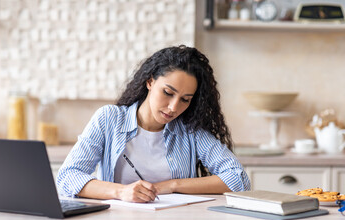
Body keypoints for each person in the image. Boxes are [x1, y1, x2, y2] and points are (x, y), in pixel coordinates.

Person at [57, 45, 250, 203]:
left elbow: (238, 179)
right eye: (168, 92)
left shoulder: (190, 130)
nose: (174, 107)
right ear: (150, 82)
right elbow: (68, 177)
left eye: (185, 99)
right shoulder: (109, 119)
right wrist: (121, 192)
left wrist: (172, 185)